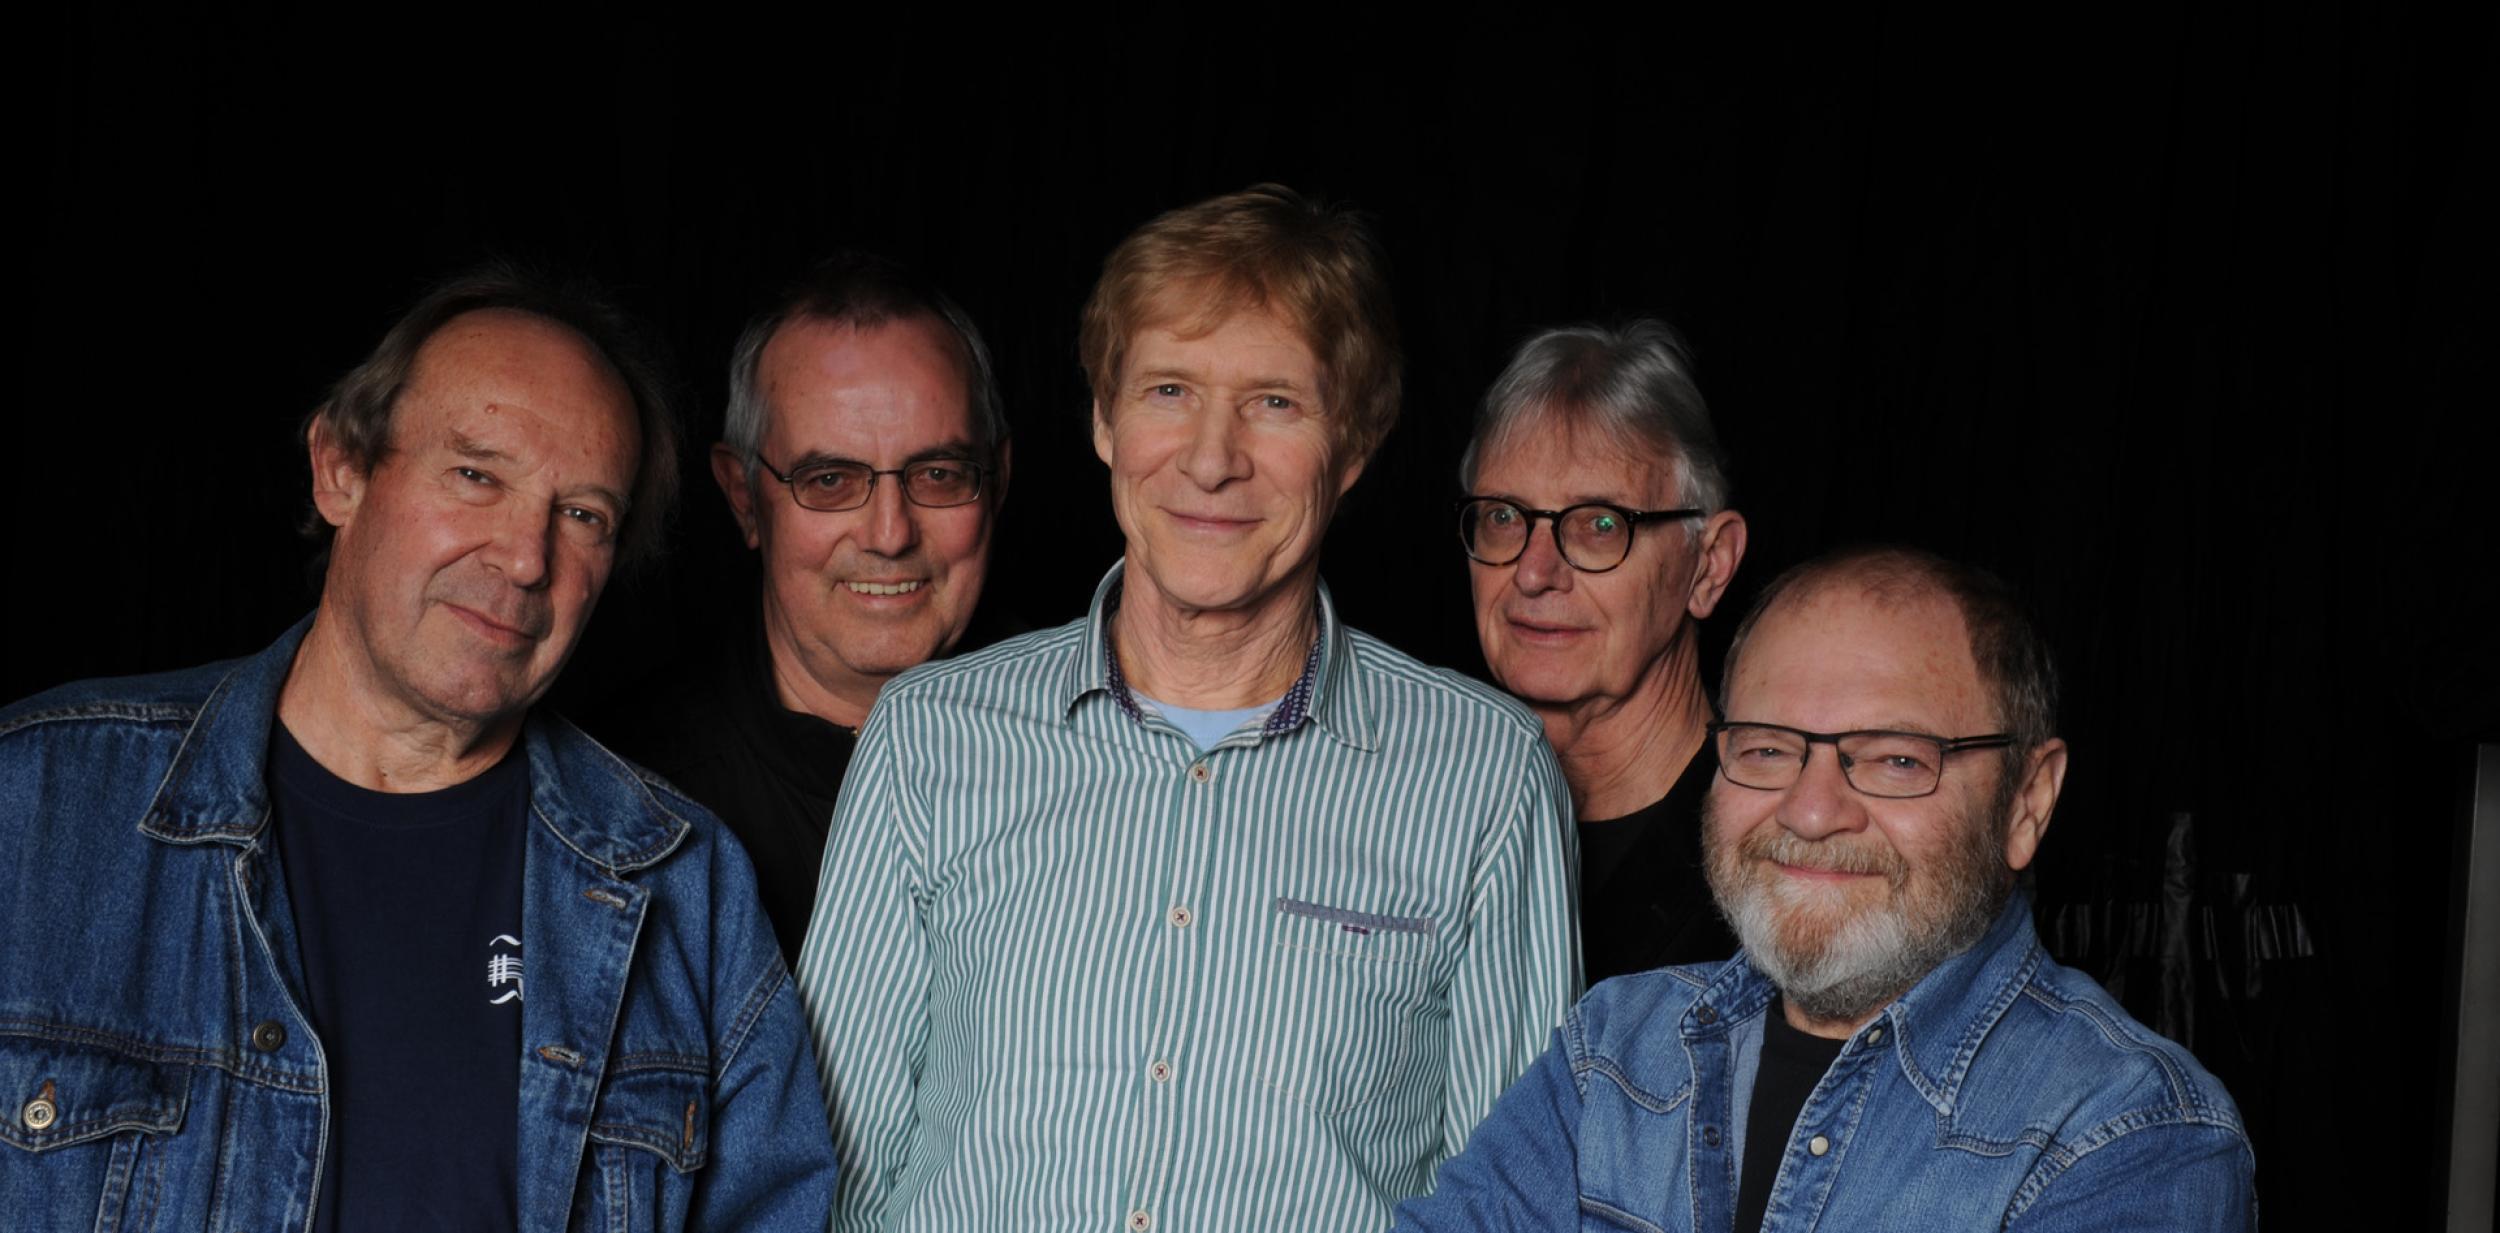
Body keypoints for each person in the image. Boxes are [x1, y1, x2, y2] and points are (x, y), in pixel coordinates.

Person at [796, 185, 1579, 1233]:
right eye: (1168, 390)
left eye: (1274, 402)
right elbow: (829, 1167)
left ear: (1353, 447)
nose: (1212, 459)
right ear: (1103, 421)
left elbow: (1512, 1204)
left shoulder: (1485, 774)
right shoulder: (928, 737)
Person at [0, 269, 838, 1230]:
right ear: (340, 469)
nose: (526, 556)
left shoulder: (687, 892)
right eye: (477, 474)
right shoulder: (35, 805)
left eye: (583, 516)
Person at [1397, 546, 2255, 1231]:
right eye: (1768, 748)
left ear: (2027, 802)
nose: (1810, 812)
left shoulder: (2131, 1135)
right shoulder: (1612, 1053)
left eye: (1893, 759)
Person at [593, 253, 1009, 963]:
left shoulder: (1112, 757)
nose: (889, 535)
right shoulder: (624, 793)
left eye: (937, 474)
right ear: (744, 497)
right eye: (830, 479)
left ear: (997, 482)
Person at [1460, 322, 1746, 983]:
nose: (1534, 572)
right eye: (1503, 516)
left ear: (1709, 565)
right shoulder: (1417, 810)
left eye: (1600, 525)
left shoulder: (1775, 850)